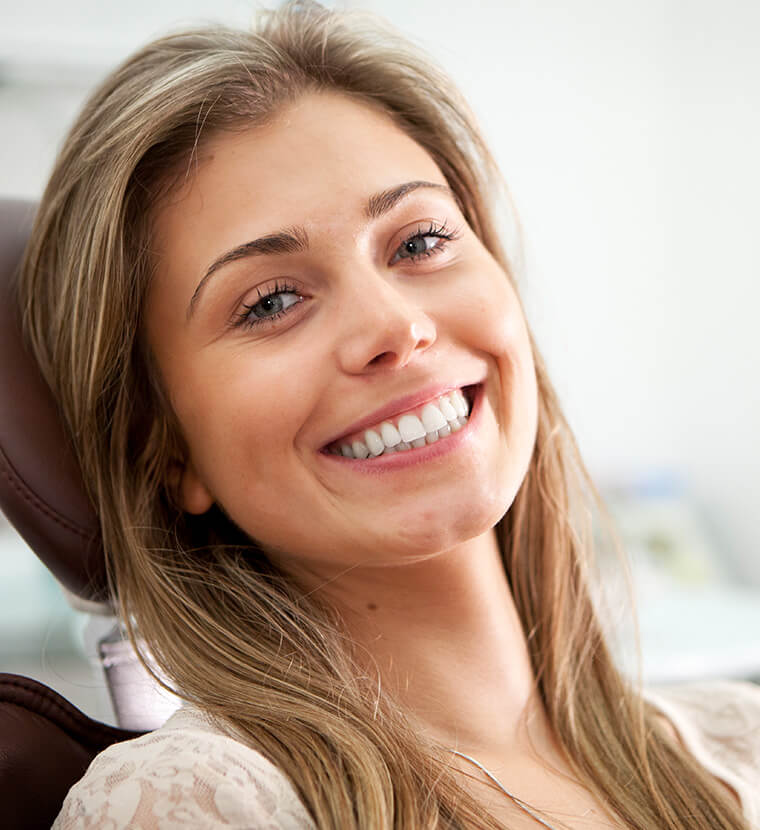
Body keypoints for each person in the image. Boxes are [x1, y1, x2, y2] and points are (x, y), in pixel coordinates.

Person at [15, 1, 758, 828]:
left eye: (419, 242)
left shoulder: (742, 746)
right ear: (166, 447)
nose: (397, 328)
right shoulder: (194, 803)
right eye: (272, 301)